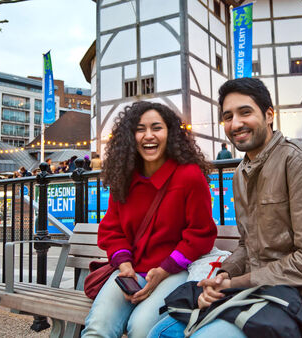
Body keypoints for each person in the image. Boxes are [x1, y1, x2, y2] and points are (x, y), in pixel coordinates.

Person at [149, 78, 302, 338]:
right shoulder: (241, 172)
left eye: (245, 112)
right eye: (227, 116)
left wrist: (235, 283)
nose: (235, 124)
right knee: (160, 333)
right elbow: (247, 245)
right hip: (264, 292)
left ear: (268, 115)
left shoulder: (298, 161)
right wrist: (224, 274)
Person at [82, 101, 217, 338]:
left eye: (157, 127)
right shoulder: (123, 176)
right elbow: (112, 230)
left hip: (173, 270)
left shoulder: (190, 176)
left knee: (141, 328)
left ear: (170, 133)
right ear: (130, 136)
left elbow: (200, 233)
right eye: (140, 129)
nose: (148, 136)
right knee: (97, 328)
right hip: (130, 271)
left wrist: (164, 270)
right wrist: (124, 266)